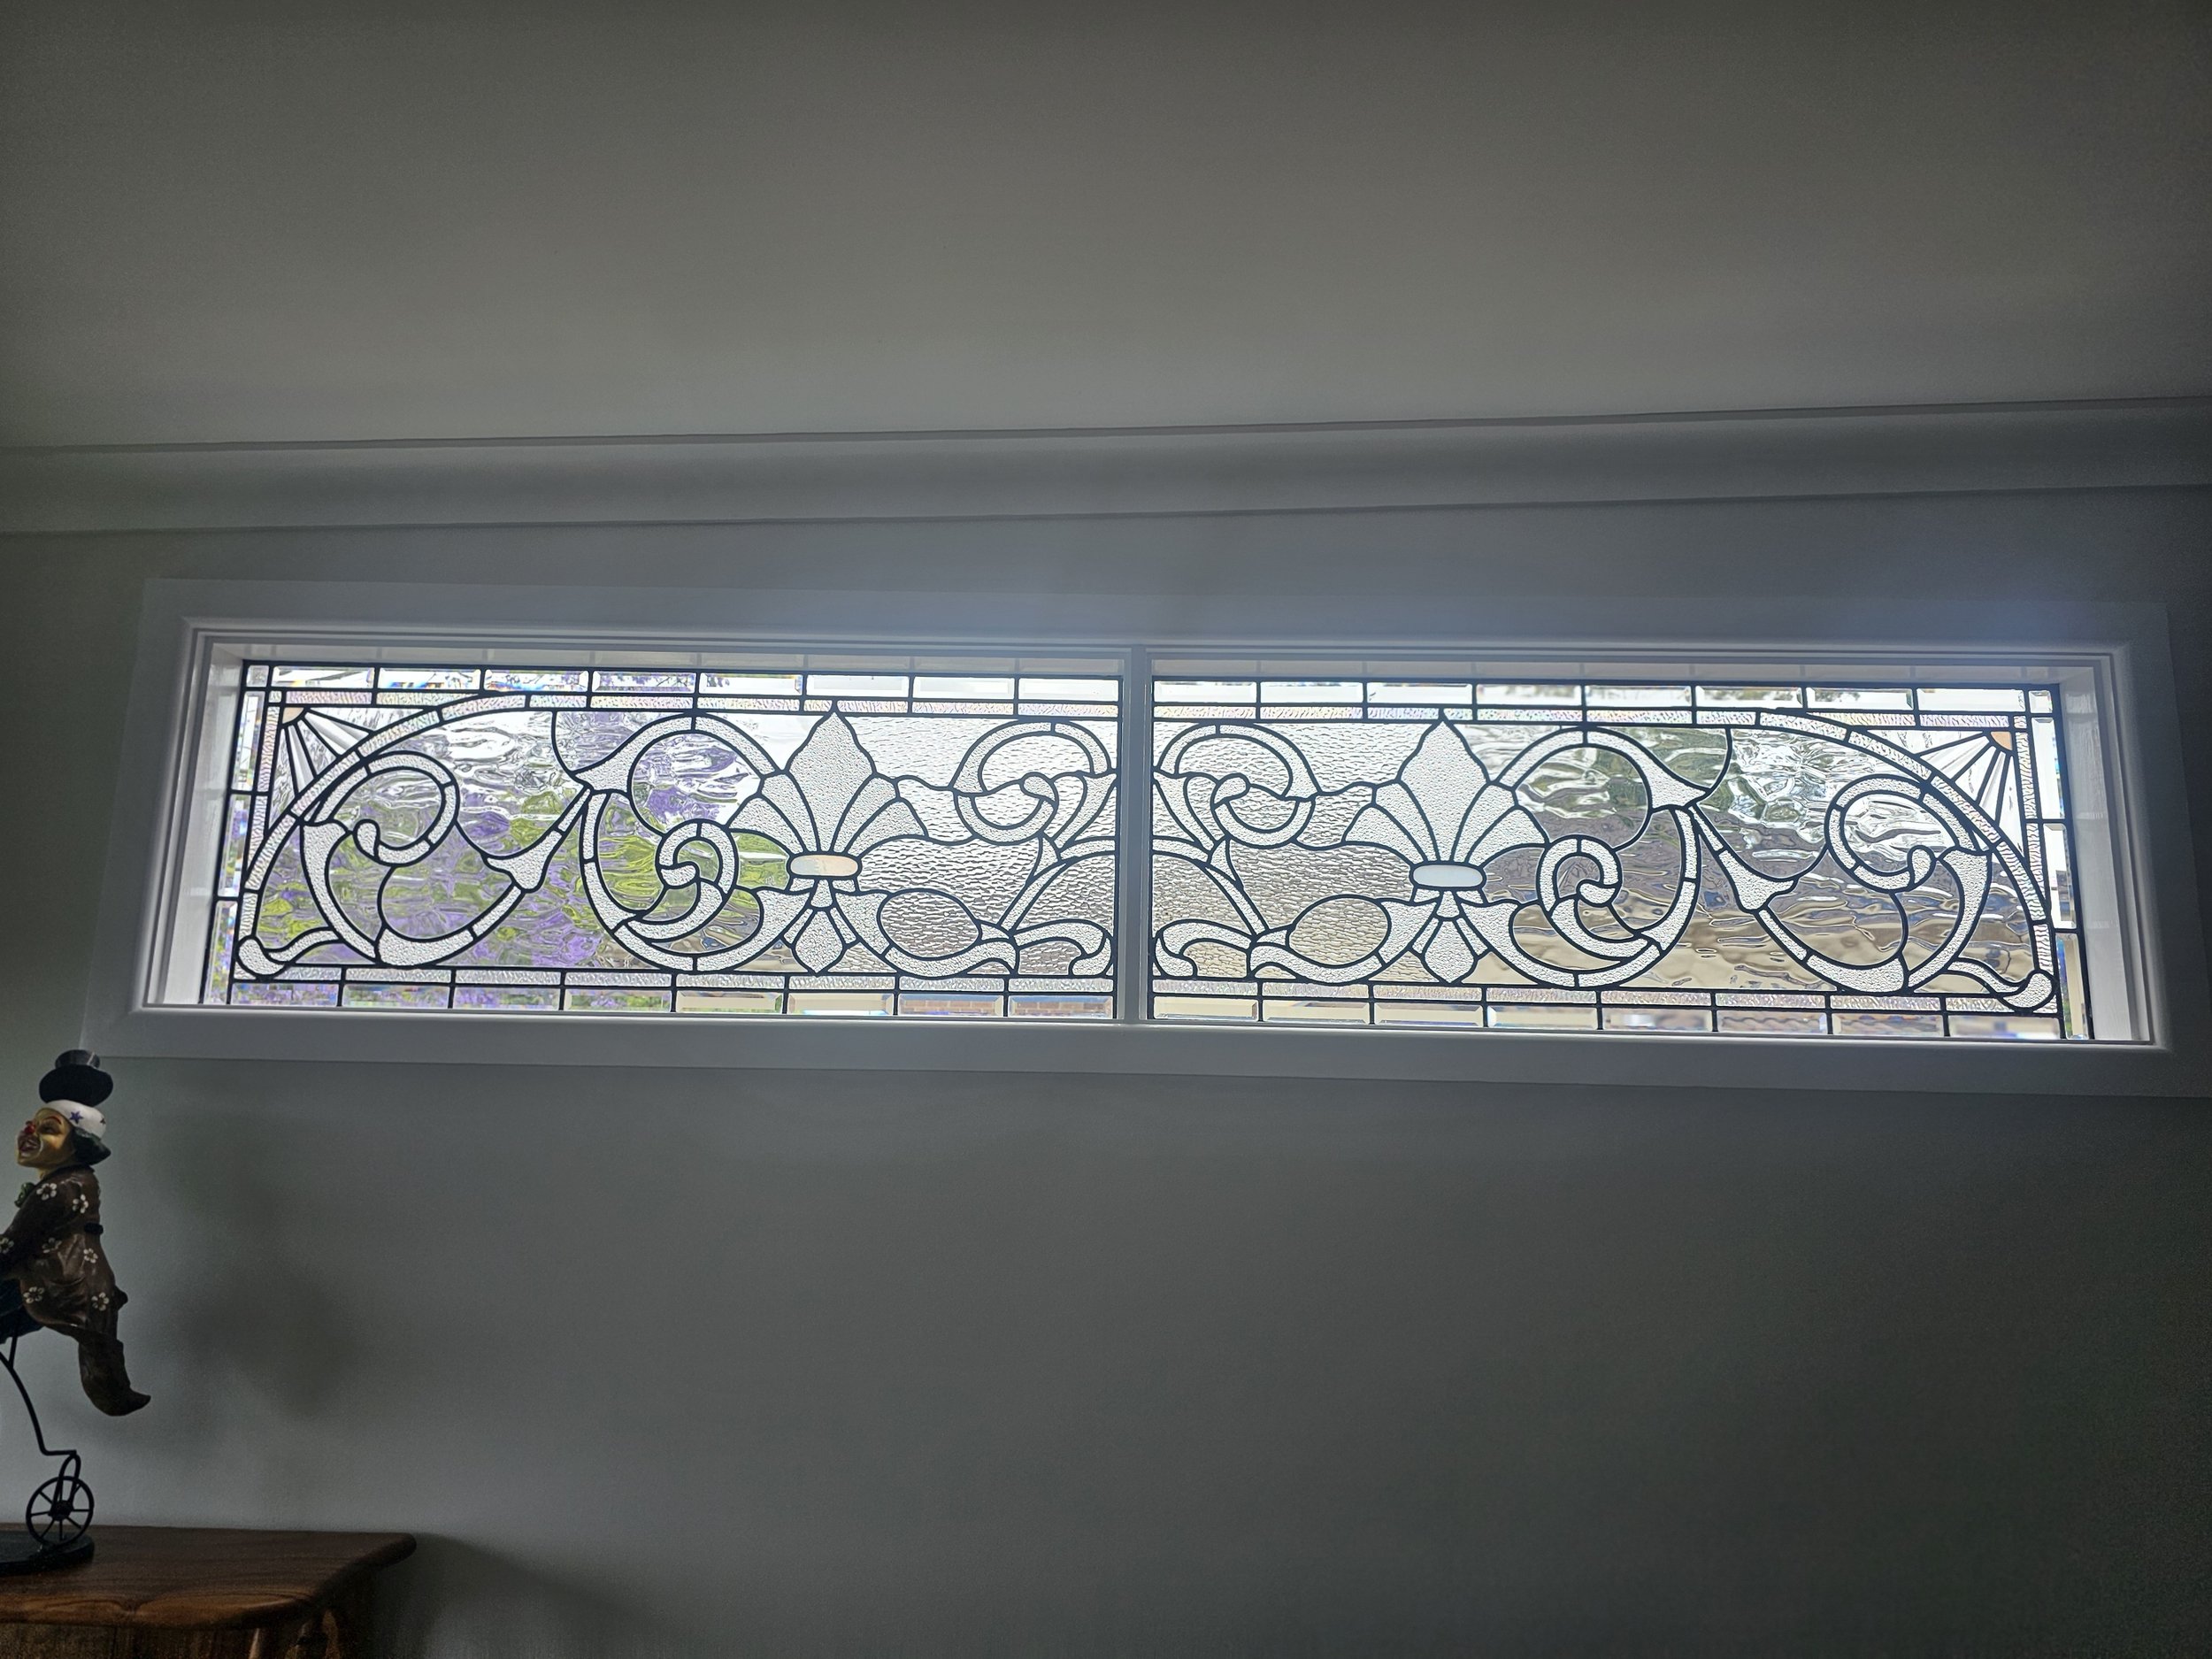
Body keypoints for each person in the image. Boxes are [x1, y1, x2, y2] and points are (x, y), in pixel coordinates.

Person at [0, 1053, 148, 1417]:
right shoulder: (73, 1181)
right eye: (31, 1125)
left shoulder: (61, 1188)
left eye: (48, 1129)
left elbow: (12, 1246)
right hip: (63, 1279)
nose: (29, 1134)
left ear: (79, 1143)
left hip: (56, 1284)